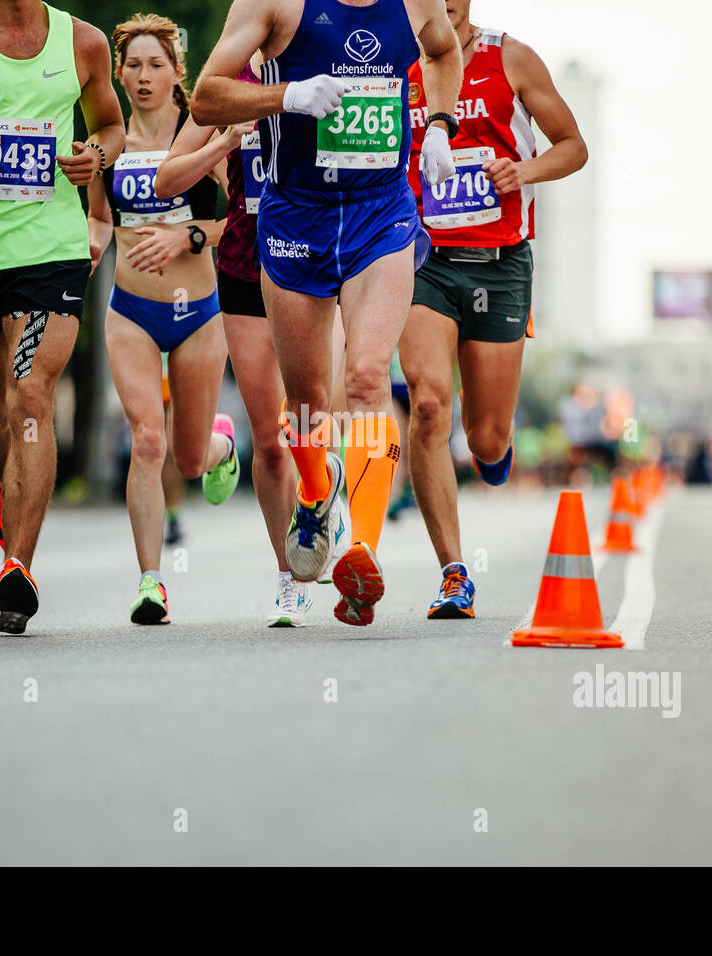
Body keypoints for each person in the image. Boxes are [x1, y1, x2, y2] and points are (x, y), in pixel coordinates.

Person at [191, 0, 461, 626]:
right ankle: (316, 495)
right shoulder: (272, 4)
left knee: (368, 377)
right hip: (295, 216)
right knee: (308, 400)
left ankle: (362, 551)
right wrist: (287, 95)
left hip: (381, 211)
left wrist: (442, 126)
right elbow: (206, 98)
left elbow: (443, 51)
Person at [0, 0, 125, 634]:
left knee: (32, 397)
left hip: (51, 253)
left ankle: (18, 568)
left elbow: (112, 127)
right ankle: (11, 486)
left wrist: (96, 157)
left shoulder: (84, 42)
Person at [399, 0, 587, 618]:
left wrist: (523, 169)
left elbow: (573, 146)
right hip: (422, 259)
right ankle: (454, 573)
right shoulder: (391, 60)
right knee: (427, 404)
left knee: (485, 438)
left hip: (501, 264)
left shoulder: (511, 57)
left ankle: (492, 449)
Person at [158, 52, 348, 627]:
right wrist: (224, 144)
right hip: (246, 266)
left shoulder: (331, 61)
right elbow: (168, 176)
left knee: (316, 417)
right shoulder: (229, 81)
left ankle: (322, 495)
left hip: (318, 262)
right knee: (270, 439)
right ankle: (290, 576)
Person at [87, 14, 238, 625]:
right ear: (119, 74)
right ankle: (151, 583)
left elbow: (239, 223)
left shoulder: (203, 132)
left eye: (156, 64)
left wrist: (188, 237)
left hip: (200, 314)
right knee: (147, 439)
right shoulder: (108, 142)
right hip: (130, 313)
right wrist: (86, 253)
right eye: (133, 65)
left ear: (178, 71)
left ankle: (221, 445)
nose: (144, 76)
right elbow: (99, 220)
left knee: (189, 458)